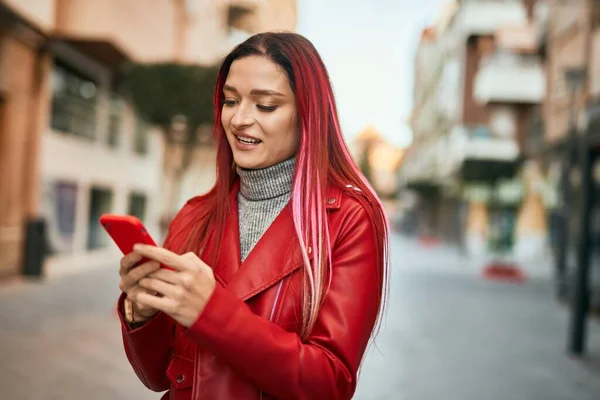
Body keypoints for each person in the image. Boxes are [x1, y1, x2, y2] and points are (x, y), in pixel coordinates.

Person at [117, 32, 389, 400]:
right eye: (230, 101)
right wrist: (143, 312)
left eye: (266, 106)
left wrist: (211, 312)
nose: (240, 119)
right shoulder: (194, 216)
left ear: (308, 114)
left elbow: (330, 383)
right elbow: (158, 377)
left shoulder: (348, 221)